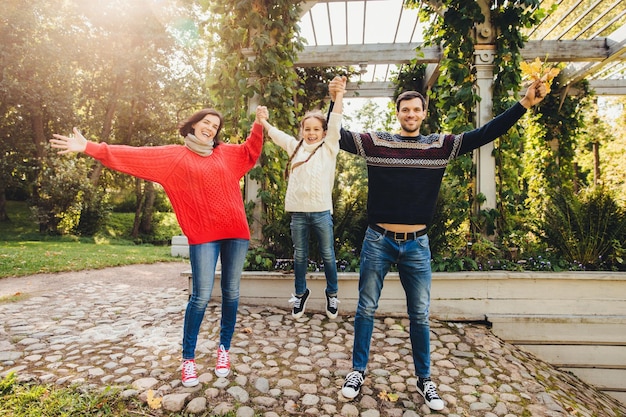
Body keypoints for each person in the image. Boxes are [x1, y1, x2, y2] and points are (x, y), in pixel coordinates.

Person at [328, 76, 547, 411]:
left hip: (417, 245)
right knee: (366, 309)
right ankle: (357, 372)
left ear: (423, 113)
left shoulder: (440, 145)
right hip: (378, 241)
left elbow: (484, 134)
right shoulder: (377, 143)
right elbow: (336, 137)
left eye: (416, 109)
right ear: (398, 113)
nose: (411, 114)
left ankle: (425, 379)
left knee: (420, 314)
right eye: (405, 110)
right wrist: (338, 98)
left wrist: (524, 104)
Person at [50, 106, 267, 388]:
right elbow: (134, 156)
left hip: (236, 232)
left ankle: (223, 350)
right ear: (193, 125)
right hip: (203, 235)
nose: (211, 128)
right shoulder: (175, 157)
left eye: (215, 126)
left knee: (231, 293)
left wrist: (259, 124)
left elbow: (251, 150)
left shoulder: (226, 154)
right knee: (200, 297)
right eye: (206, 123)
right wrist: (90, 147)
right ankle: (188, 359)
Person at [256, 83, 344, 319]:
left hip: (321, 211)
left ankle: (332, 294)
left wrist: (339, 96)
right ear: (302, 130)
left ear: (324, 133)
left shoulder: (329, 148)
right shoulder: (295, 147)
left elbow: (335, 123)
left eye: (317, 129)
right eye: (308, 129)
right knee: (299, 255)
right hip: (298, 213)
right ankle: (299, 293)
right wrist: (263, 121)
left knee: (328, 254)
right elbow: (277, 135)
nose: (312, 133)